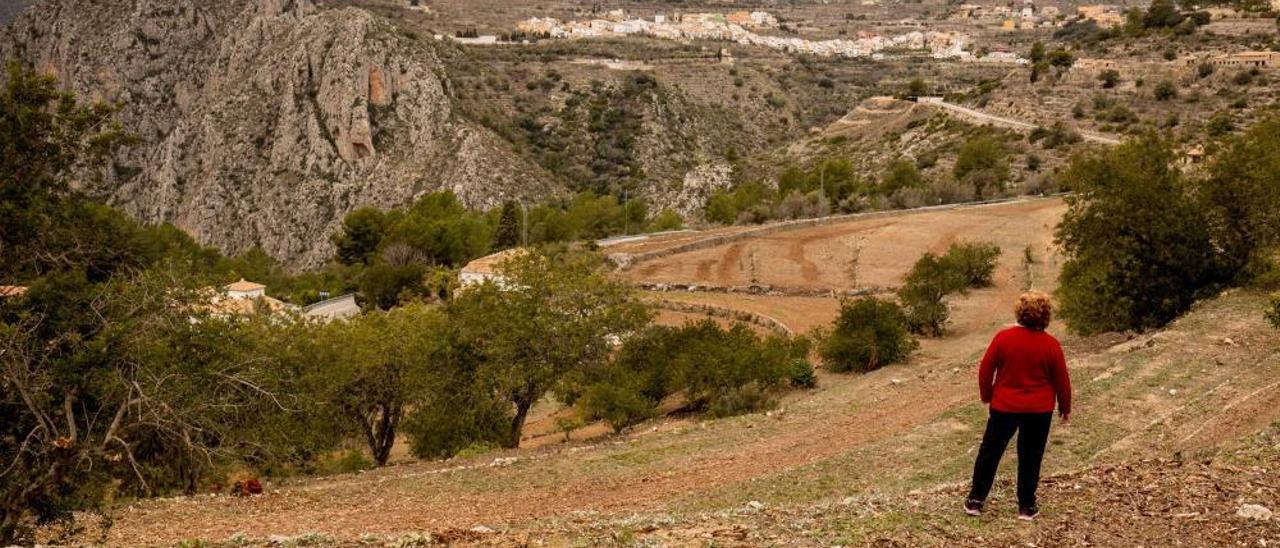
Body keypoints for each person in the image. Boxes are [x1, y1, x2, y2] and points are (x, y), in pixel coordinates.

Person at [963, 291, 1072, 521]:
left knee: (990, 453)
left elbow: (985, 370)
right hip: (1039, 410)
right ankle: (1026, 506)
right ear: (1046, 316)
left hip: (1004, 406)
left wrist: (987, 396)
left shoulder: (1003, 338)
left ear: (1020, 313)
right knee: (1031, 456)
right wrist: (1065, 407)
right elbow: (1061, 379)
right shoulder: (1051, 345)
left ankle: (975, 500)